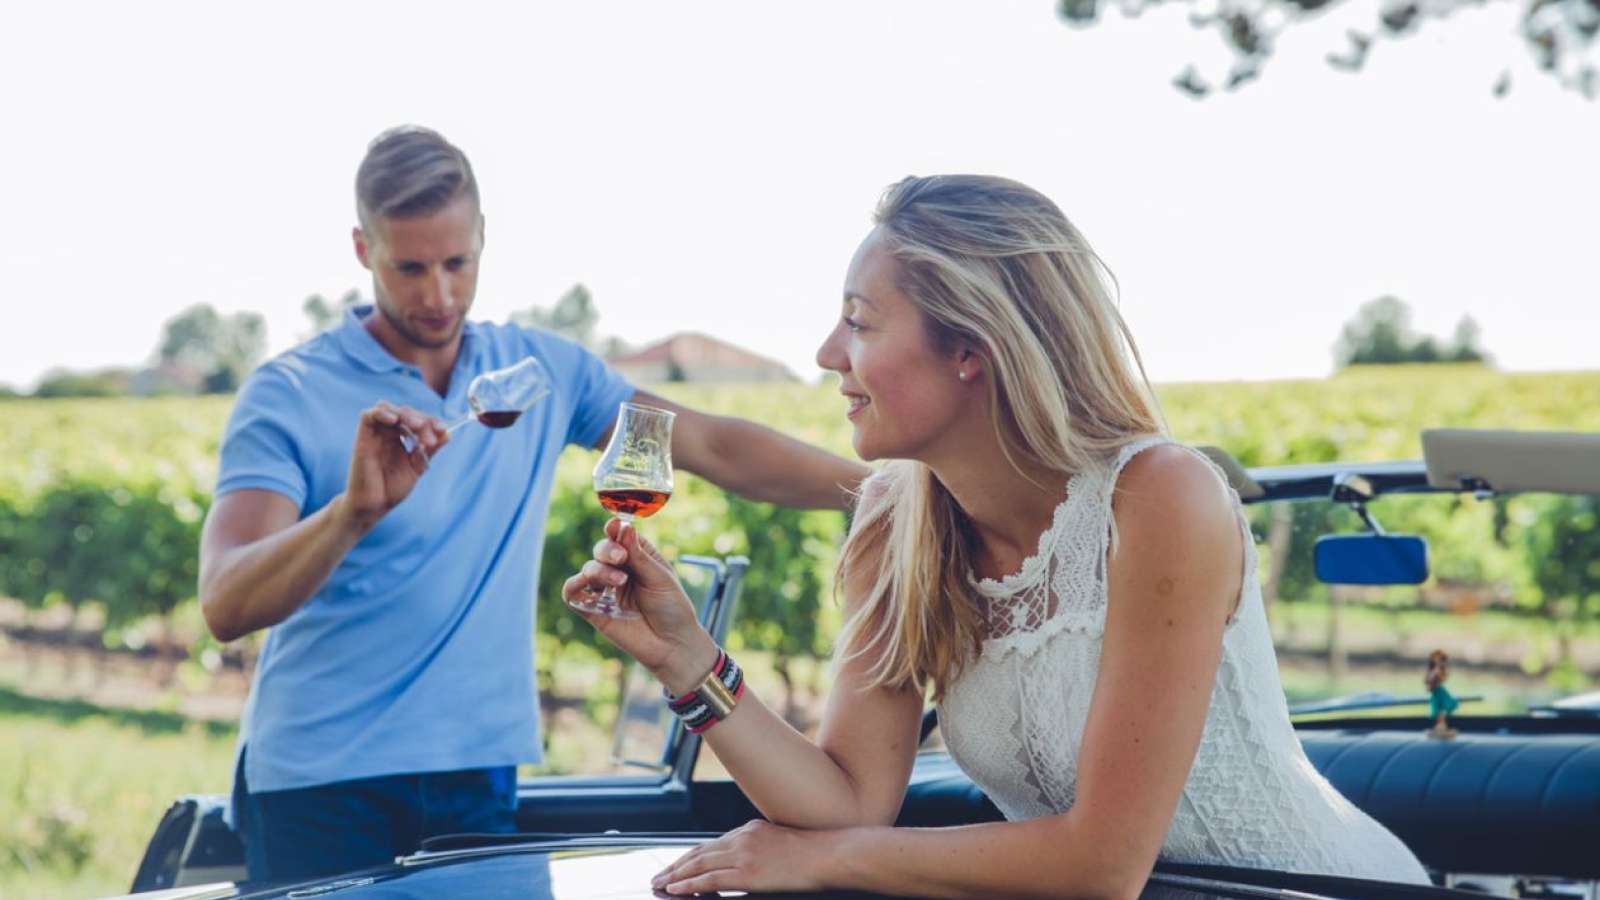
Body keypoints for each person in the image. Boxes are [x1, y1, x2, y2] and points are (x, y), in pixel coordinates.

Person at [565, 174, 1432, 897]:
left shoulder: (1160, 498)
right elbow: (849, 801)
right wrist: (687, 661)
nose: (828, 354)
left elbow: (1103, 865)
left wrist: (827, 860)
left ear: (970, 350)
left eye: (860, 322)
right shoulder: (893, 525)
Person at [200, 125, 868, 882]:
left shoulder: (539, 373)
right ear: (363, 249)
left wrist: (882, 491)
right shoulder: (287, 393)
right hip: (319, 784)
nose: (439, 295)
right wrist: (352, 511)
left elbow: (713, 447)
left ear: (483, 237)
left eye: (457, 263)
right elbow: (226, 602)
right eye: (410, 267)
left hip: (478, 772)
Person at [1425, 649, 1460, 739]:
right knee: (1439, 711)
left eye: (1440, 660)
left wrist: (1437, 672)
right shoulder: (1433, 671)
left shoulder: (1440, 671)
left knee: (1442, 711)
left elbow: (1442, 678)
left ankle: (1441, 728)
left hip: (1440, 691)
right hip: (1436, 692)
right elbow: (1429, 681)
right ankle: (1440, 729)